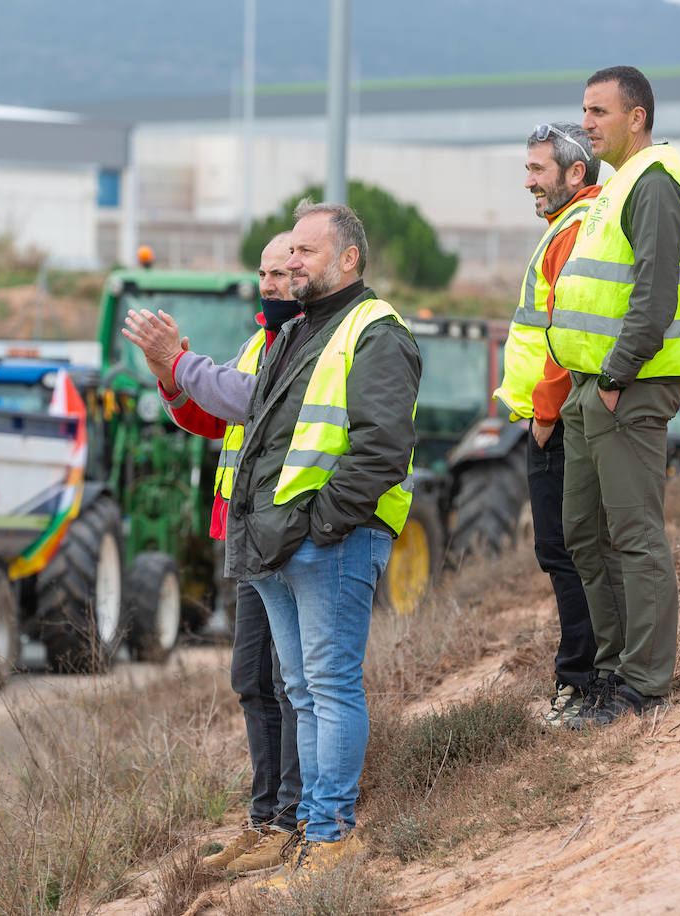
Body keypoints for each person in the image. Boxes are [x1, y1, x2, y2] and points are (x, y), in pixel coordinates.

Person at [224, 200, 419, 887]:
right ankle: (311, 831)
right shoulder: (297, 332)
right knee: (303, 692)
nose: (292, 262)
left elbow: (381, 449)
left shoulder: (377, 332)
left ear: (348, 260)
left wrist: (323, 524)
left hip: (327, 543)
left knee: (330, 689)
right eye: (291, 252)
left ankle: (332, 837)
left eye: (306, 251)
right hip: (279, 547)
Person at [123, 234, 305, 875]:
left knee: (287, 684)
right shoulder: (264, 338)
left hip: (281, 532)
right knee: (253, 681)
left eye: (284, 271)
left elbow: (242, 399)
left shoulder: (303, 341)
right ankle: (265, 820)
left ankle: (291, 820)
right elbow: (214, 418)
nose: (272, 282)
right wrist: (168, 376)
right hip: (245, 535)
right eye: (264, 272)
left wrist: (180, 361)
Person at [548, 66, 680, 727]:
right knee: (584, 532)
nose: (585, 123)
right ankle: (611, 673)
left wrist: (614, 377)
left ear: (635, 116)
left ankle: (643, 685)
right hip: (594, 387)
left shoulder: (657, 182)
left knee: (635, 533)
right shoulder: (615, 186)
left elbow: (654, 298)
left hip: (629, 386)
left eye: (598, 111)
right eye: (584, 110)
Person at [494, 121, 602, 727]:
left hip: (554, 421)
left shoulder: (577, 228)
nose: (528, 182)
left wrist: (545, 412)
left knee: (565, 551)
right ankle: (584, 676)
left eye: (538, 170)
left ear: (574, 174)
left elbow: (567, 331)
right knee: (565, 550)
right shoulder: (569, 226)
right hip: (551, 416)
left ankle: (580, 681)